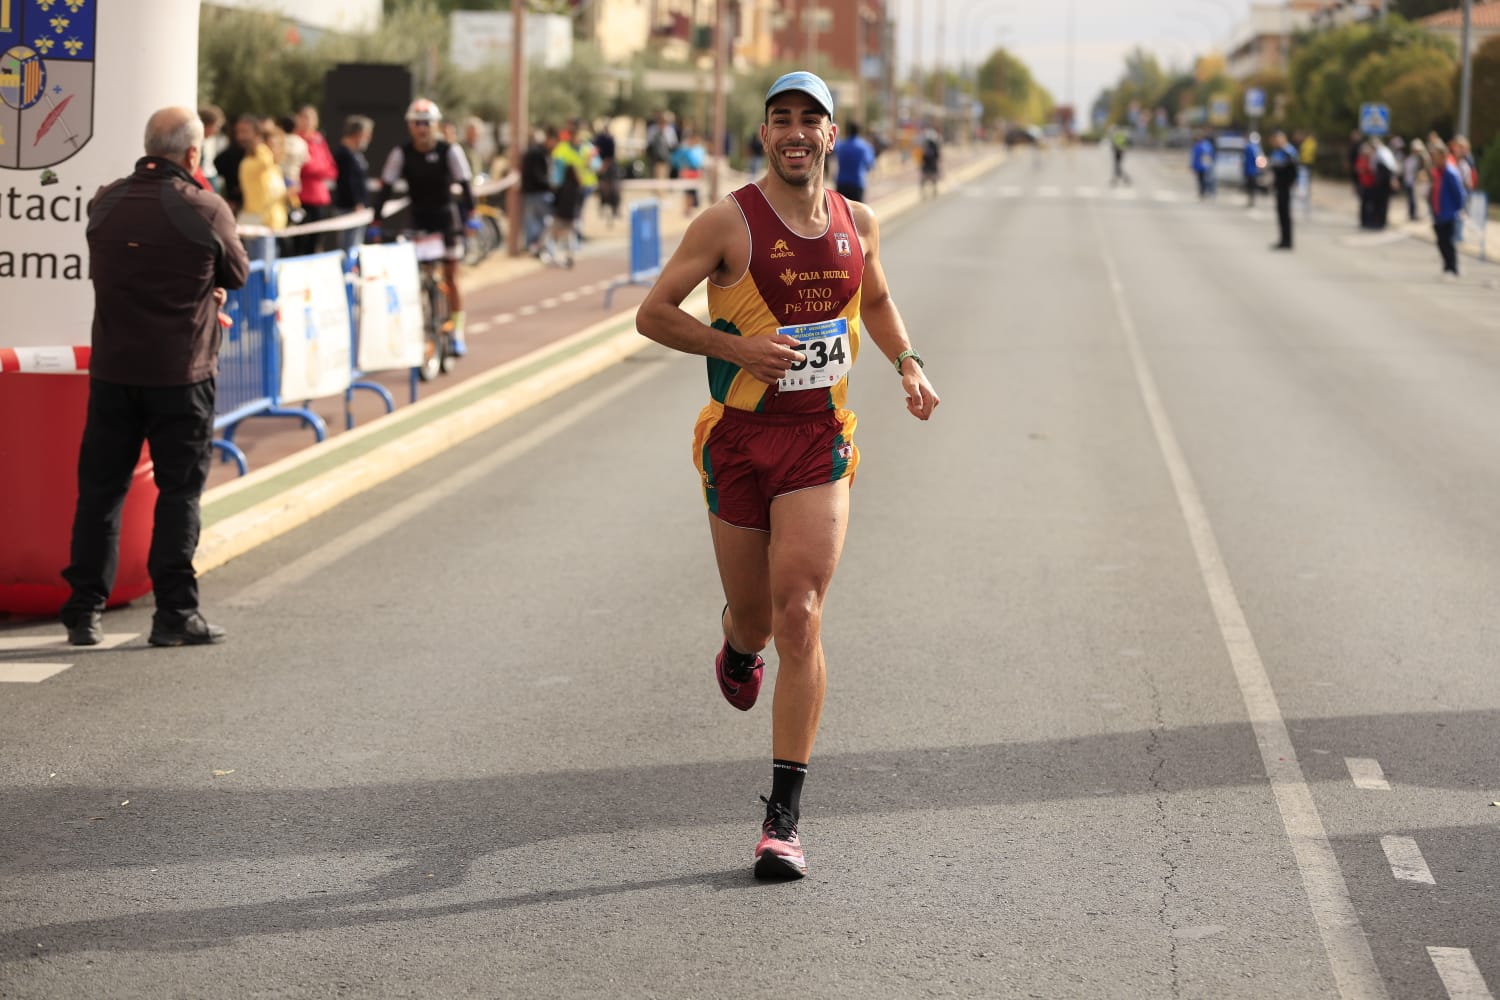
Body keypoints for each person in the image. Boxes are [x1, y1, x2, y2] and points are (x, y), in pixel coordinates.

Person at [634, 71, 940, 881]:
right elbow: (653, 313)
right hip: (738, 441)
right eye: (782, 119)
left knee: (800, 613)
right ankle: (738, 649)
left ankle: (783, 820)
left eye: (811, 118)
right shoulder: (726, 222)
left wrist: (907, 362)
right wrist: (735, 348)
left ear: (832, 134)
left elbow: (876, 301)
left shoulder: (858, 223)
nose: (796, 131)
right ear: (765, 134)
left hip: (817, 440)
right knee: (757, 620)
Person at [60, 107, 250, 648]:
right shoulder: (206, 208)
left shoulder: (105, 202)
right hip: (181, 375)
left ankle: (83, 611)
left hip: (113, 371)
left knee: (100, 492)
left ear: (148, 146)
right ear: (193, 153)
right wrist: (206, 289)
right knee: (179, 494)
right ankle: (174, 614)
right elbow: (236, 272)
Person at [370, 98, 477, 356]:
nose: (422, 129)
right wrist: (376, 221)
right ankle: (424, 325)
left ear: (435, 125)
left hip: (446, 219)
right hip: (418, 219)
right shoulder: (401, 153)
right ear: (410, 125)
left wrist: (471, 215)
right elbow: (386, 187)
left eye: (427, 123)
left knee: (451, 274)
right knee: (419, 276)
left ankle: (457, 330)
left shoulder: (449, 151)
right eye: (417, 123)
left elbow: (465, 185)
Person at [237, 117, 290, 264]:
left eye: (278, 145)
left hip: (274, 226)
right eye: (272, 145)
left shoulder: (275, 169)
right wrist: (261, 144)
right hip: (258, 227)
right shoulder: (249, 164)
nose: (276, 149)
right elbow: (265, 161)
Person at [292, 105, 338, 256]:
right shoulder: (295, 140)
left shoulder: (318, 139)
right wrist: (319, 168)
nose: (307, 121)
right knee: (300, 242)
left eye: (310, 118)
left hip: (319, 199)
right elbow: (304, 167)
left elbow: (331, 169)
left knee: (317, 241)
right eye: (304, 117)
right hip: (301, 198)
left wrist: (316, 168)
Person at [331, 114, 373, 256]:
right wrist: (357, 202)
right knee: (348, 246)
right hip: (348, 208)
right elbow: (348, 181)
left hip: (357, 208)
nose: (368, 139)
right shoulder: (343, 154)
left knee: (356, 246)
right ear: (358, 134)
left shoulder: (356, 154)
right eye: (366, 135)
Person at [1430, 138, 1465, 279]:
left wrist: (1459, 209)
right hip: (1438, 211)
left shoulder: (1450, 172)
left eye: (1436, 156)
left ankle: (1452, 268)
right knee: (1441, 241)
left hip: (1449, 213)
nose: (1434, 159)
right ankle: (1447, 266)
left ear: (1443, 156)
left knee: (1447, 242)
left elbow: (1459, 193)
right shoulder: (1438, 172)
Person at [519, 128, 554, 255]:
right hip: (539, 192)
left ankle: (534, 246)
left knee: (532, 222)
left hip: (531, 193)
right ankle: (541, 246)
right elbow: (538, 175)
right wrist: (549, 186)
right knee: (543, 221)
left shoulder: (529, 153)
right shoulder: (539, 154)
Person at [1267, 130, 1299, 250]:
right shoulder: (1277, 151)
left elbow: (1293, 169)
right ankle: (1282, 240)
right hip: (1279, 186)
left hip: (1286, 187)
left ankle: (1288, 241)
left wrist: (1291, 183)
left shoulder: (1288, 151)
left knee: (1285, 214)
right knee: (1280, 213)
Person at [834, 120, 876, 203]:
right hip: (857, 184)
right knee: (856, 210)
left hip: (841, 183)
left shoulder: (842, 146)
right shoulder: (864, 147)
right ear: (859, 131)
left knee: (841, 209)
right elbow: (870, 164)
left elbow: (836, 156)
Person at [1190, 131, 1215, 199]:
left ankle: (1205, 192)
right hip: (1201, 166)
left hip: (1204, 166)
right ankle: (1203, 192)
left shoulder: (1203, 146)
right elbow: (1194, 157)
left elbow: (1209, 155)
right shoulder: (1201, 146)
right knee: (1201, 179)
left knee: (1205, 180)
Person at [919, 128, 941, 198]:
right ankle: (929, 191)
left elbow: (936, 155)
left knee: (927, 178)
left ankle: (930, 190)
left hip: (929, 164)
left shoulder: (929, 145)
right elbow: (937, 155)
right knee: (928, 178)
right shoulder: (930, 145)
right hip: (929, 164)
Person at [1243, 131, 1262, 207]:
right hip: (1253, 170)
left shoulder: (1248, 147)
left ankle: (1251, 200)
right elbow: (1258, 159)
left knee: (1250, 186)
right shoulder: (1255, 148)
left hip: (1249, 170)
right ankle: (1252, 200)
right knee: (1252, 186)